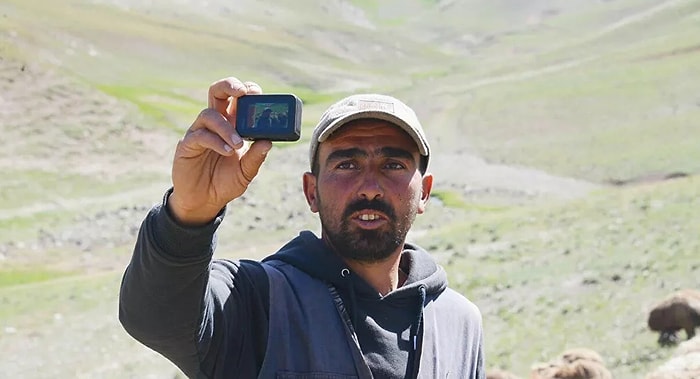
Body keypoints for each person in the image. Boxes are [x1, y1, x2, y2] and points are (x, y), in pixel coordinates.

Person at [119, 77, 485, 379]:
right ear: (312, 192)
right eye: (347, 165)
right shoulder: (256, 300)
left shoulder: (459, 323)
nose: (370, 187)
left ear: (425, 193)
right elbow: (154, 317)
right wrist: (189, 213)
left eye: (392, 165)